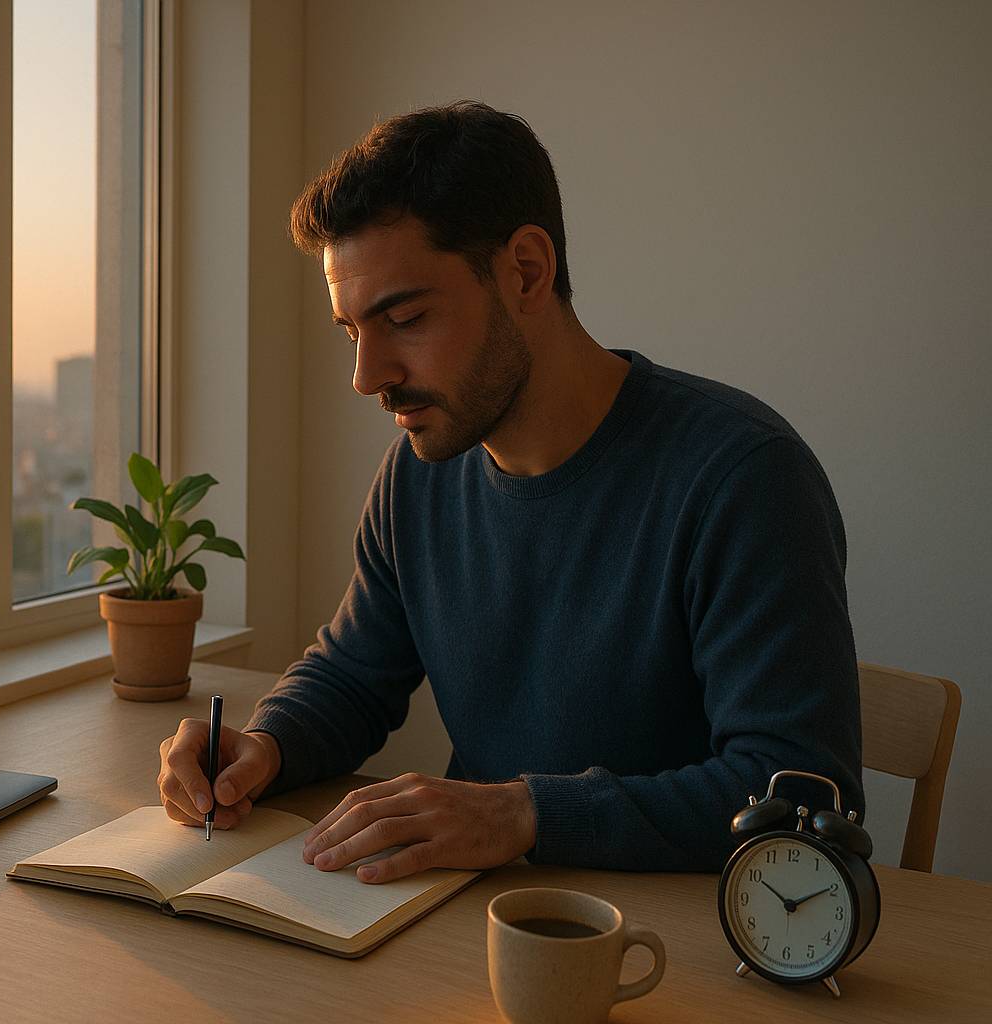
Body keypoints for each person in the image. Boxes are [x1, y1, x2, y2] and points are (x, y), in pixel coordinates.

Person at [156, 100, 863, 882]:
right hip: (477, 928)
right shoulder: (419, 473)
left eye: (407, 317)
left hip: (683, 949)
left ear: (526, 270)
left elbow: (798, 792)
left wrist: (523, 813)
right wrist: (265, 745)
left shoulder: (742, 478)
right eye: (353, 332)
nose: (367, 378)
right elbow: (355, 675)